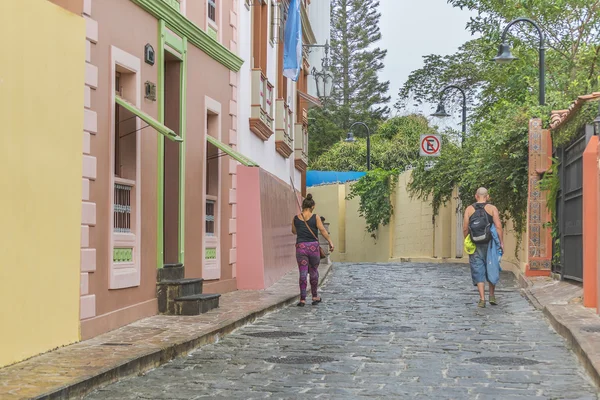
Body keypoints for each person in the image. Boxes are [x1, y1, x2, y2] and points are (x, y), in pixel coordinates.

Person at [463, 187, 504, 308]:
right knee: (491, 266)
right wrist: (501, 243)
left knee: (477, 268)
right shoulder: (492, 208)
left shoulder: (469, 209)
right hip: (490, 243)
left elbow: (465, 228)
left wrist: (467, 240)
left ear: (476, 196)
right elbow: (498, 227)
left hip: (475, 243)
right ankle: (491, 295)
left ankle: (482, 299)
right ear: (488, 196)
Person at [291, 194, 334, 307]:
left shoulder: (296, 218)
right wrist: (330, 241)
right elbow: (323, 230)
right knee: (314, 270)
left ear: (303, 205)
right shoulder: (315, 217)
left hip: (301, 248)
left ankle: (302, 299)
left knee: (303, 272)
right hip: (313, 248)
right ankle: (315, 296)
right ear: (313, 206)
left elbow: (294, 231)